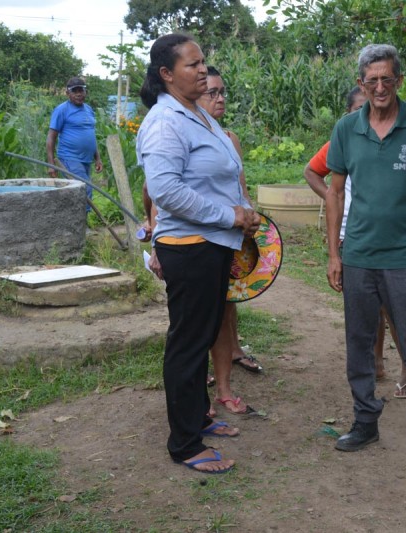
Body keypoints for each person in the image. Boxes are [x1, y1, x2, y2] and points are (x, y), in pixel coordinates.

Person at [325, 44, 406, 466]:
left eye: (387, 79)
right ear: (360, 84)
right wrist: (334, 253)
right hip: (360, 255)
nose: (380, 87)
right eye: (372, 80)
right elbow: (335, 190)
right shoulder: (347, 128)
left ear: (399, 80)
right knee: (359, 343)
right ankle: (365, 420)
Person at [136, 33, 260, 474]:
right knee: (188, 344)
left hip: (210, 246)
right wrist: (230, 215)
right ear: (167, 74)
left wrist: (241, 213)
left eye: (203, 61)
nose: (203, 70)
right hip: (188, 249)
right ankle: (184, 443)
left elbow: (217, 175)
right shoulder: (165, 122)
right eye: (192, 65)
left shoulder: (194, 115)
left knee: (202, 336)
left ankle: (198, 418)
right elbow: (167, 191)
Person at [303, 86, 406, 398]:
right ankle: (375, 362)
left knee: (392, 308)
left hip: (389, 238)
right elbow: (311, 171)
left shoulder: (397, 138)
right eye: (359, 108)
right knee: (367, 309)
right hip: (352, 235)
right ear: (350, 114)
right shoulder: (344, 138)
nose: (368, 113)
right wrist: (332, 198)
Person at [46, 76, 103, 212]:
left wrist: (97, 158)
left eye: (81, 91)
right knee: (85, 188)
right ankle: (80, 223)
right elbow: (51, 137)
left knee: (79, 192)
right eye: (74, 91)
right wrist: (51, 164)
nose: (78, 94)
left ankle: (77, 223)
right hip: (69, 158)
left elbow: (91, 135)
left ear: (85, 92)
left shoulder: (89, 110)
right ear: (68, 93)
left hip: (86, 159)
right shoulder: (62, 110)